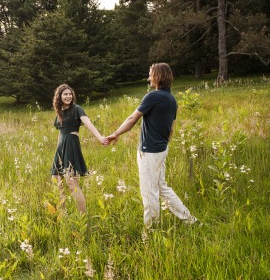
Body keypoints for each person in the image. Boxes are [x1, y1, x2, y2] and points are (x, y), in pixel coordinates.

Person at [106, 63, 198, 228]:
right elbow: (171, 128)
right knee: (162, 188)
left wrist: (115, 134)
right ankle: (189, 220)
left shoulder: (152, 97)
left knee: (150, 193)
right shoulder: (171, 99)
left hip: (150, 152)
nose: (148, 78)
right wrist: (163, 145)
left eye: (150, 74)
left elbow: (132, 119)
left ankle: (151, 230)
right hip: (161, 150)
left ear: (157, 77)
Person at [51, 83, 106, 214]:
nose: (68, 96)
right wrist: (58, 152)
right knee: (56, 178)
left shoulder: (77, 109)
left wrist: (100, 138)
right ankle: (63, 214)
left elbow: (88, 124)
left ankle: (83, 214)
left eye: (70, 94)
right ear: (59, 96)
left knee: (71, 182)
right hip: (61, 148)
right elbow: (60, 133)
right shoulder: (59, 112)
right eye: (65, 94)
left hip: (71, 144)